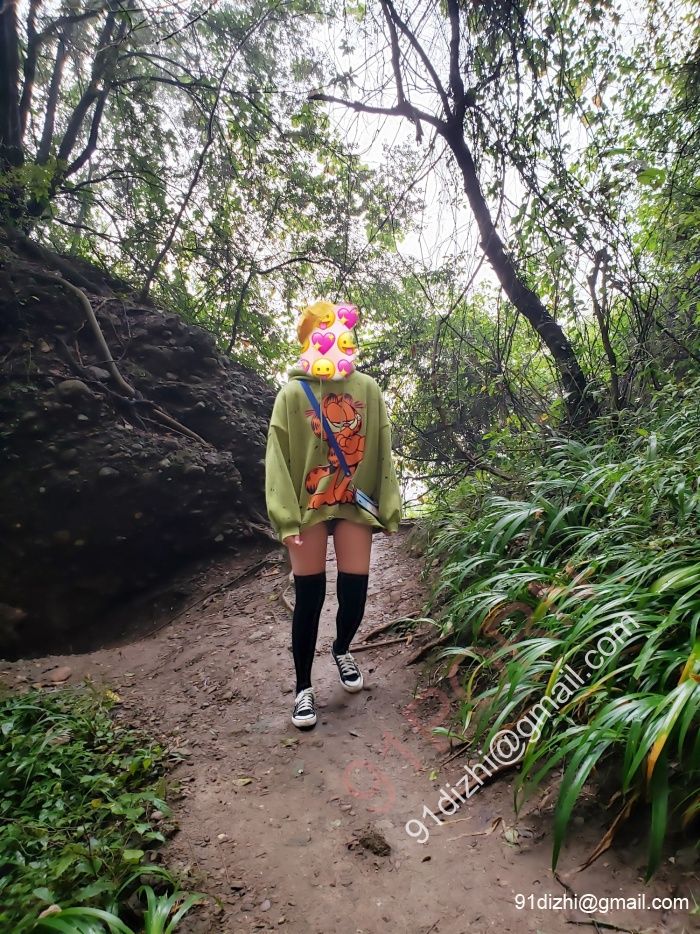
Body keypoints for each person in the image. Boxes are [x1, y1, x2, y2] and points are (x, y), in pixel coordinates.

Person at [265, 300, 402, 729]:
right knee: (309, 596)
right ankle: (303, 688)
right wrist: (285, 518)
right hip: (307, 505)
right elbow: (277, 456)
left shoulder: (367, 389)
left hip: (351, 502)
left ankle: (342, 648)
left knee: (355, 590)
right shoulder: (291, 394)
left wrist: (388, 505)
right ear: (308, 339)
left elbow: (381, 445)